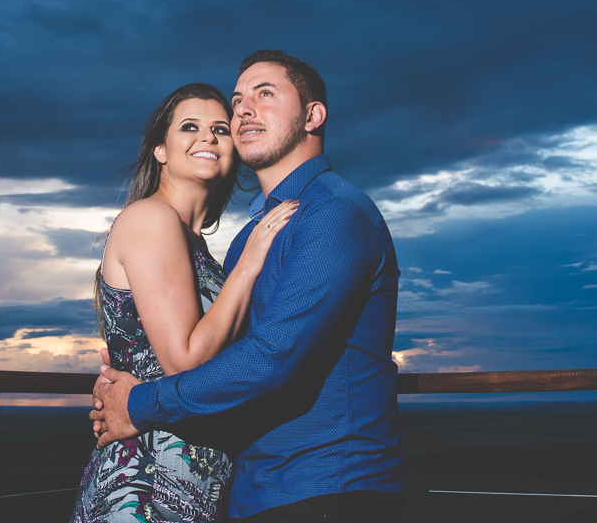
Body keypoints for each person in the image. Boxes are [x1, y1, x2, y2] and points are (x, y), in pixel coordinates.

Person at [91, 51, 403, 522]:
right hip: (248, 489)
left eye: (265, 94)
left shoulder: (334, 213)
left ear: (313, 116)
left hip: (325, 484)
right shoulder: (247, 242)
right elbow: (215, 353)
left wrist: (137, 401)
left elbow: (272, 356)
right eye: (238, 101)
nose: (244, 111)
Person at [71, 82, 299, 522]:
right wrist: (249, 266)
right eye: (190, 127)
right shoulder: (151, 218)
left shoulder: (197, 247)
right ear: (160, 149)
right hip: (145, 486)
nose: (208, 136)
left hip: (197, 484)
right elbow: (185, 361)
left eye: (221, 129)